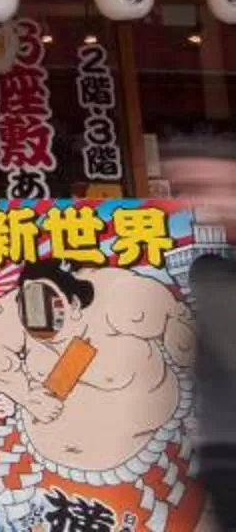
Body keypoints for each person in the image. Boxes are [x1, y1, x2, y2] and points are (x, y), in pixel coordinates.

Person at [173, 134, 236, 527]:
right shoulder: (215, 268)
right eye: (189, 190)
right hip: (223, 449)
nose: (202, 203)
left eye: (210, 187)